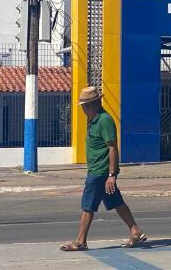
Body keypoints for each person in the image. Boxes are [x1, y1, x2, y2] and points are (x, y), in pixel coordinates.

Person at [60, 86, 146, 251]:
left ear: (92, 105)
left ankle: (80, 241)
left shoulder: (104, 120)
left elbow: (112, 147)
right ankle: (135, 231)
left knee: (88, 206)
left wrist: (111, 174)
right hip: (100, 171)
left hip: (100, 172)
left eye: (84, 106)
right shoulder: (95, 121)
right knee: (116, 202)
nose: (83, 109)